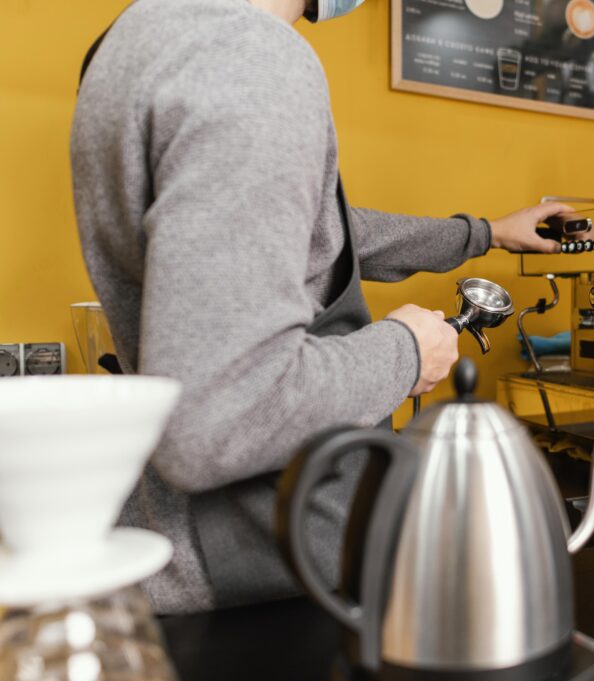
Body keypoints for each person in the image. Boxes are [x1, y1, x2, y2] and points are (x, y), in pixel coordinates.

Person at [70, 0, 568, 615]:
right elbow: (219, 416)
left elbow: (311, 229)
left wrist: (486, 233)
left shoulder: (139, 39)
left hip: (181, 548)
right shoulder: (250, 57)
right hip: (259, 575)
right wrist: (406, 352)